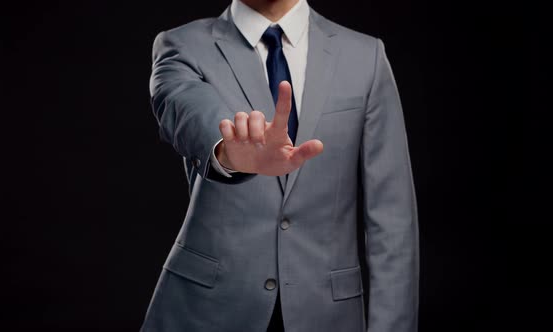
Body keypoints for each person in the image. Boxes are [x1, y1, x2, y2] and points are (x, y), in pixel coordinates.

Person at [140, 0, 419, 331]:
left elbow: (393, 217)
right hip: (206, 313)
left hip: (326, 314)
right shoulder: (181, 45)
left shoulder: (366, 57)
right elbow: (186, 111)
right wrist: (229, 151)